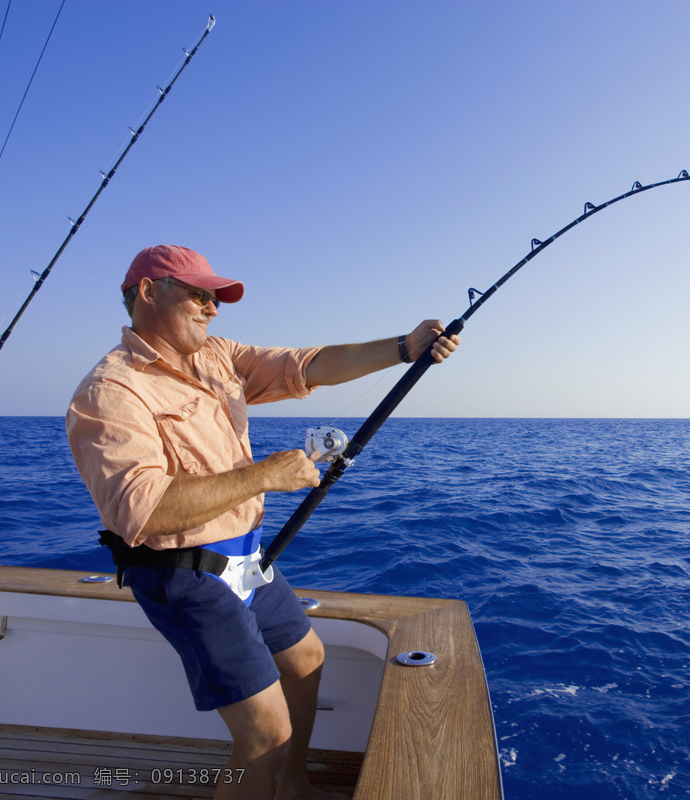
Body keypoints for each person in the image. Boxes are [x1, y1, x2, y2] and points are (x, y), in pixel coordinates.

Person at [65, 244, 459, 800]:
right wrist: (264, 475)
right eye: (198, 294)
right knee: (265, 735)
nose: (212, 307)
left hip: (248, 556)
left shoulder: (216, 356)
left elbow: (306, 365)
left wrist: (404, 348)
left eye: (216, 297)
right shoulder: (111, 391)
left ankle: (291, 787)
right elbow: (141, 511)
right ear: (148, 293)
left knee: (306, 658)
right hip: (184, 572)